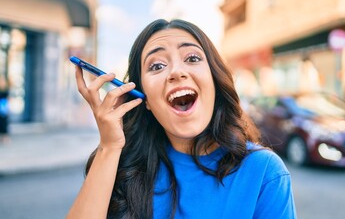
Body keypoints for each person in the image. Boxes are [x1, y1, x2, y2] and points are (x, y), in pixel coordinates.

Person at [67, 19, 297, 219]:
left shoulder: (264, 172)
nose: (177, 71)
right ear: (144, 98)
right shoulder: (122, 166)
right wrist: (109, 147)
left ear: (214, 80)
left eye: (193, 58)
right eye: (157, 65)